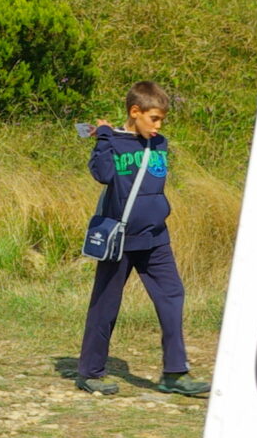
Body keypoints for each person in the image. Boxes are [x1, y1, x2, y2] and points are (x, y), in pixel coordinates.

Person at [77, 82, 209, 398]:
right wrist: (105, 137)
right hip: (120, 239)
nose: (159, 126)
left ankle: (175, 374)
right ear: (134, 112)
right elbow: (104, 175)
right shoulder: (112, 142)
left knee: (172, 296)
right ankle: (90, 373)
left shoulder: (158, 143)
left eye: (162, 118)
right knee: (106, 305)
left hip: (155, 238)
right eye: (154, 118)